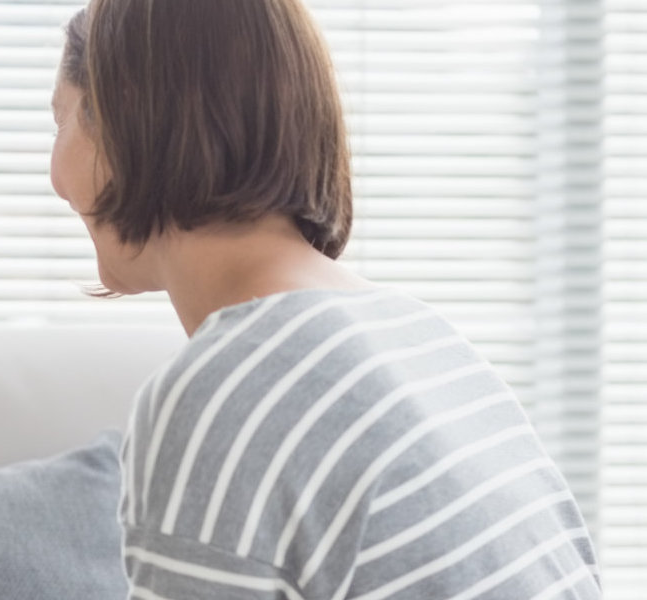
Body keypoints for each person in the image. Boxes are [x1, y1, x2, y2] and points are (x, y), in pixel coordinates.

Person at [50, 1, 602, 598]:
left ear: (130, 112)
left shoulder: (222, 397)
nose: (54, 174)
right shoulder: (424, 338)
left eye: (61, 122)